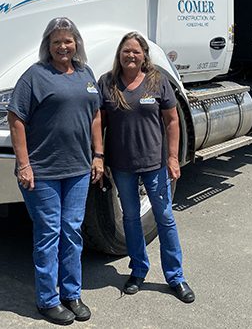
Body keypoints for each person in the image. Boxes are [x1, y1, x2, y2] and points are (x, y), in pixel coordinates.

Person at [8, 17, 104, 325]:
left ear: (77, 43)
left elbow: (95, 116)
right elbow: (16, 119)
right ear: (47, 47)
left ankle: (71, 294)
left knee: (72, 231)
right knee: (49, 233)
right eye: (56, 42)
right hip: (43, 170)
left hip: (77, 169)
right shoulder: (35, 76)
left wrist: (98, 155)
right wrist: (24, 164)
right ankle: (47, 299)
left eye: (68, 41)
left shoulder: (86, 74)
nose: (63, 46)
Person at [98, 31, 195, 303]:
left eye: (136, 51)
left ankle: (176, 277)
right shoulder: (108, 83)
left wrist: (173, 158)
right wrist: (100, 156)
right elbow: (99, 122)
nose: (131, 55)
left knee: (165, 218)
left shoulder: (157, 81)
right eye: (126, 51)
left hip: (154, 164)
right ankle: (138, 270)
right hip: (122, 166)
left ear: (144, 56)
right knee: (130, 219)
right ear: (119, 54)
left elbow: (172, 121)